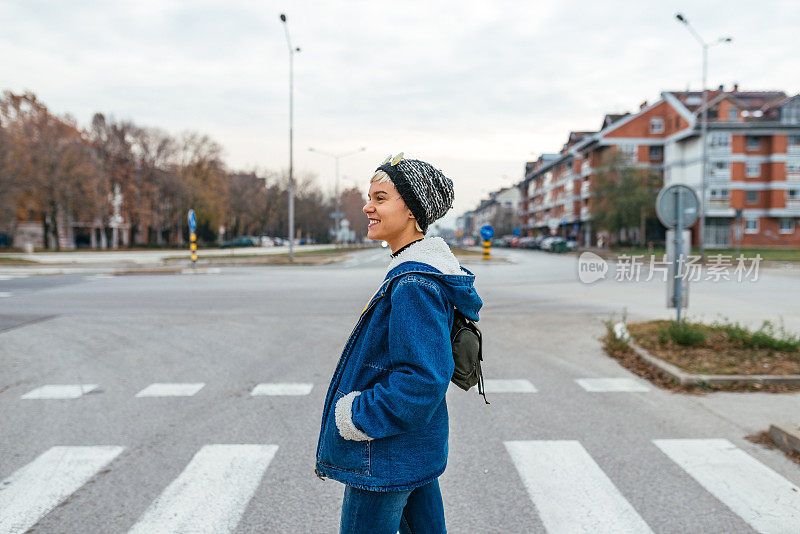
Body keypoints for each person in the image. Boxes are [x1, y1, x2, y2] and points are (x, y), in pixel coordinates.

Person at [315, 153, 483, 534]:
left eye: (380, 198)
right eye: (369, 197)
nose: (367, 206)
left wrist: (356, 415)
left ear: (411, 210)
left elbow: (422, 380)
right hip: (412, 448)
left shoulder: (413, 284)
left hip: (385, 454)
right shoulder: (416, 273)